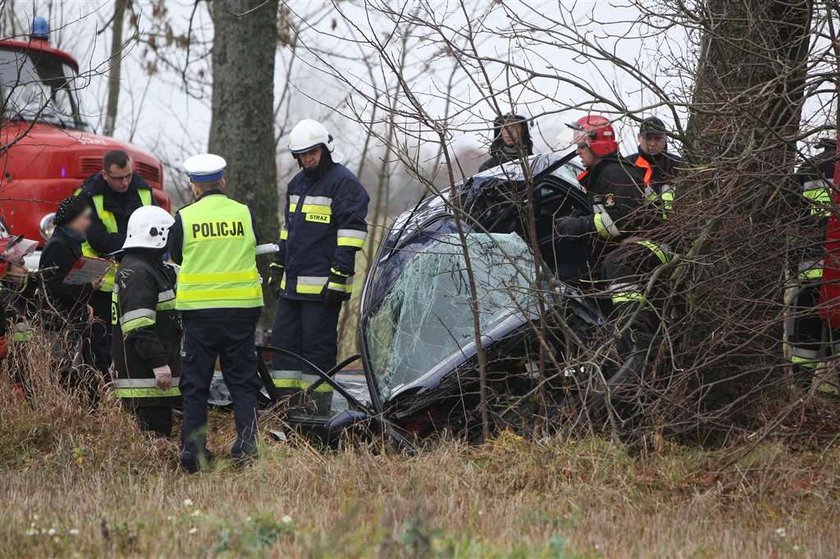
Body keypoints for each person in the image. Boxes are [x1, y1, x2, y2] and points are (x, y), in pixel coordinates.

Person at [554, 115, 668, 386]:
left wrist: (578, 225)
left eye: (581, 148)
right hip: (639, 242)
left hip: (655, 245)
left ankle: (637, 337)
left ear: (597, 146)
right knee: (588, 278)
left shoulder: (614, 173)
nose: (578, 154)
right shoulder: (603, 173)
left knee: (618, 263)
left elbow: (622, 221)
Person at [168, 153, 263, 472]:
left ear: (194, 186)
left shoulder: (185, 217)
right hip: (241, 311)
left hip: (199, 314)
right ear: (223, 180)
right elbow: (254, 245)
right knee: (243, 381)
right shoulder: (244, 214)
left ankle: (194, 453)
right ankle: (248, 447)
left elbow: (176, 254)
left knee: (196, 383)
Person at [267, 119, 369, 413]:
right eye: (303, 154)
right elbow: (290, 231)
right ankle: (286, 411)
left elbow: (350, 236)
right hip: (291, 288)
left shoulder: (344, 183)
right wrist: (278, 263)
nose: (309, 158)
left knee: (317, 353)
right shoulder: (296, 184)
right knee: (284, 351)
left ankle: (316, 412)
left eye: (314, 151)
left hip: (324, 290)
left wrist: (338, 277)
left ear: (326, 149)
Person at [77, 150, 155, 377]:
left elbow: (157, 229)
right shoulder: (89, 195)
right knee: (100, 344)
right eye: (118, 178)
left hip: (137, 281)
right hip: (101, 284)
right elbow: (98, 240)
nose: (125, 182)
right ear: (104, 175)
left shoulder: (143, 190)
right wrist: (137, 243)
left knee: (136, 338)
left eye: (128, 176)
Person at [111, 206, 181, 437]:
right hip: (146, 381)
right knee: (155, 443)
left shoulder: (148, 267)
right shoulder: (138, 273)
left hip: (151, 381)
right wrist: (159, 364)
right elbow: (138, 327)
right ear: (158, 234)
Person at [787, 137, 836, 392]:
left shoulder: (809, 168)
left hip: (808, 266)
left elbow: (789, 218)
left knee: (804, 332)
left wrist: (791, 265)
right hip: (834, 269)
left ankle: (800, 392)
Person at [38, 195, 101, 397]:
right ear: (73, 219)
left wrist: (85, 302)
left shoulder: (71, 242)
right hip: (59, 325)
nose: (89, 222)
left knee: (80, 371)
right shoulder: (58, 245)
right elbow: (53, 286)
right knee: (65, 375)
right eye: (86, 217)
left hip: (70, 320)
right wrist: (88, 286)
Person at [628, 117, 684, 218]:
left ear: (665, 137)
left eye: (657, 138)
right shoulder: (626, 165)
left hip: (674, 225)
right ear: (639, 137)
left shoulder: (679, 165)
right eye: (648, 138)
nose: (653, 143)